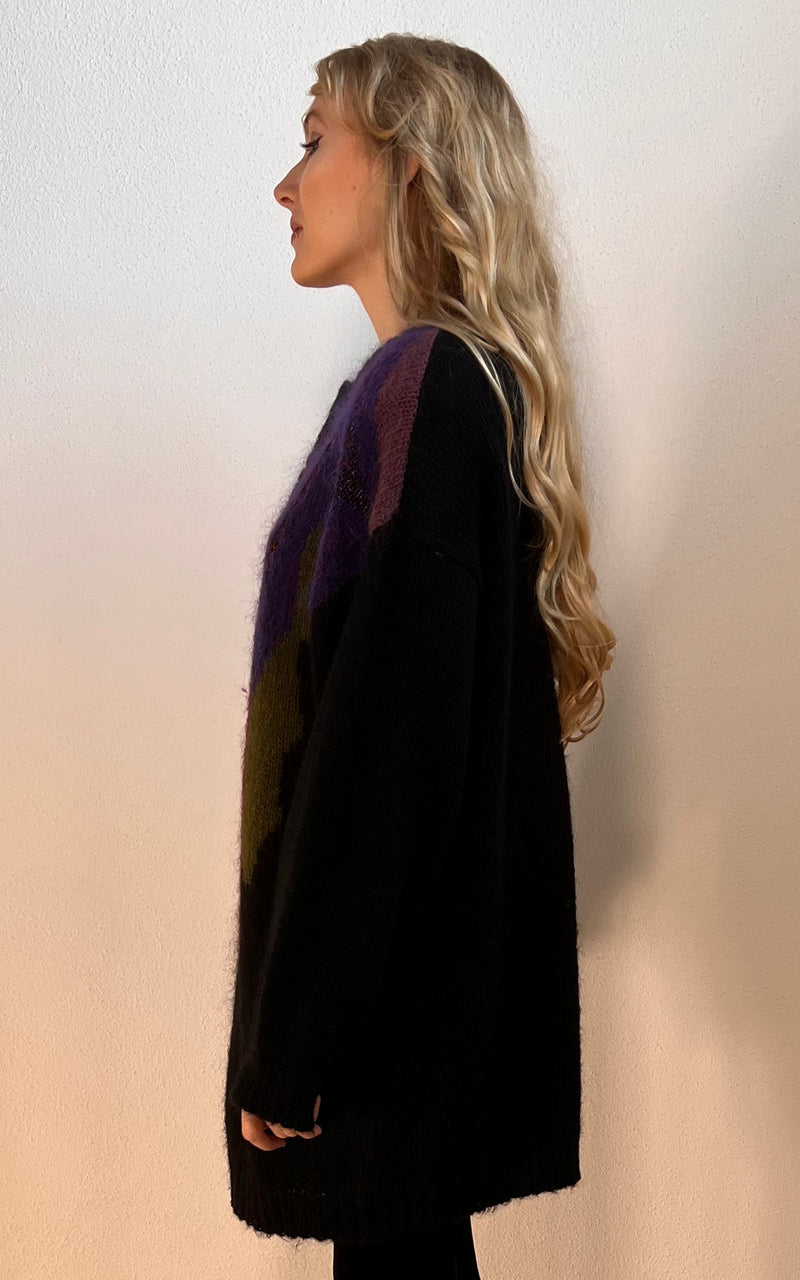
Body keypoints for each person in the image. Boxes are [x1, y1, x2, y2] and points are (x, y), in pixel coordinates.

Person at [223, 32, 616, 1278]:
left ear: (405, 162)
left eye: (312, 141)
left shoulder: (424, 389)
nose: (283, 184)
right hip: (397, 1014)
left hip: (380, 1024)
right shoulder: (416, 393)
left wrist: (296, 1034)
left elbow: (384, 749)